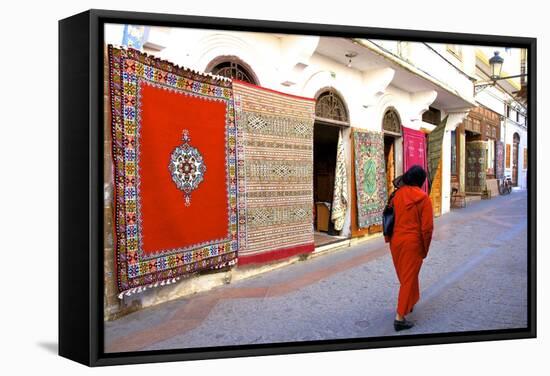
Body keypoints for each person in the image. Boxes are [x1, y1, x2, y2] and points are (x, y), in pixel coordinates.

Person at [385, 165, 434, 332]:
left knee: (405, 276)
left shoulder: (396, 195)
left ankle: (409, 303)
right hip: (412, 243)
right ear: (420, 181)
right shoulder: (423, 198)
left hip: (396, 242)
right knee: (408, 278)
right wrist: (425, 249)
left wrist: (388, 239)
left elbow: (388, 218)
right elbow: (427, 229)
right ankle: (399, 318)